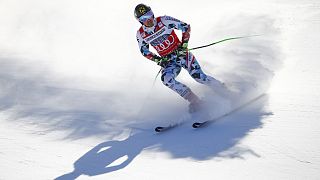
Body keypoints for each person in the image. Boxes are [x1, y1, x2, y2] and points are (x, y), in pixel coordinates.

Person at [134, 4, 227, 112]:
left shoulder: (163, 20)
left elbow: (185, 27)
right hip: (169, 61)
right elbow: (144, 51)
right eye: (144, 18)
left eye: (149, 15)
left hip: (182, 54)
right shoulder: (141, 34)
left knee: (198, 76)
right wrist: (158, 60)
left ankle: (223, 90)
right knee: (166, 79)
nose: (148, 19)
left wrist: (184, 45)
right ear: (139, 21)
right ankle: (196, 102)